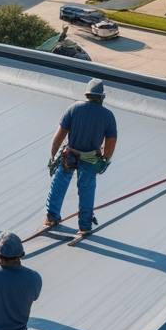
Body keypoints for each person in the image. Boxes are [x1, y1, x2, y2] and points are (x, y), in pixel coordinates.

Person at [44, 78, 118, 233]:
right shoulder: (107, 116)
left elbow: (58, 136)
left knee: (59, 184)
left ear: (87, 94)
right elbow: (111, 142)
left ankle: (51, 217)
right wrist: (105, 159)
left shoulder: (74, 109)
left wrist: (53, 156)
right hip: (90, 159)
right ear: (101, 97)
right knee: (86, 190)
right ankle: (84, 226)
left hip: (70, 155)